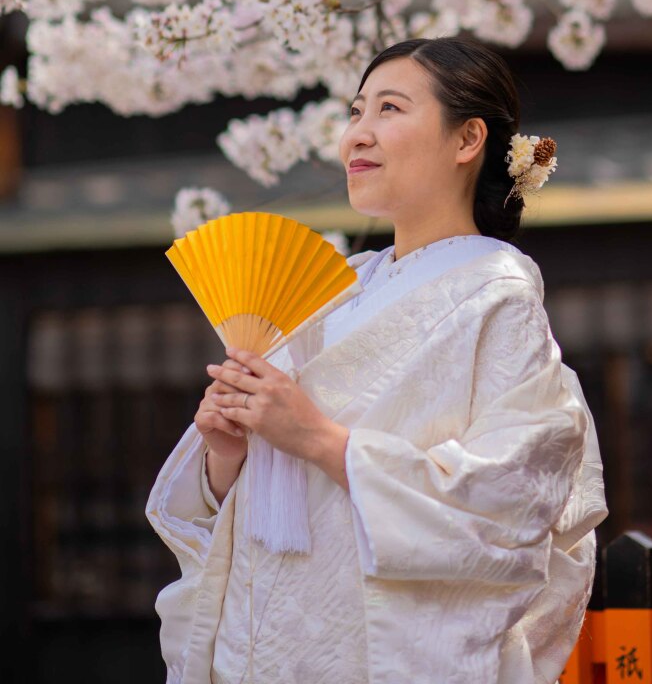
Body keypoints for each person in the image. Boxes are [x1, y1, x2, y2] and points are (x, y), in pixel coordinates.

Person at [146, 35, 608, 684]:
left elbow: (506, 506)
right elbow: (249, 502)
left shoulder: (496, 295)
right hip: (267, 647)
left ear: (467, 139)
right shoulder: (335, 290)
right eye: (356, 111)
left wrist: (315, 437)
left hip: (370, 653)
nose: (356, 136)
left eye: (389, 110)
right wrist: (229, 455)